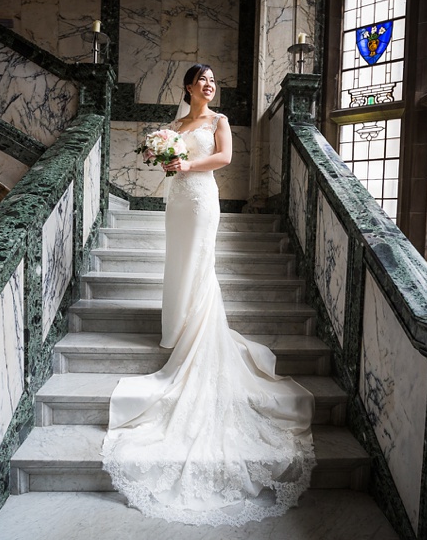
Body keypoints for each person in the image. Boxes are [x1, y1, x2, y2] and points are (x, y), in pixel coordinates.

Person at [101, 64, 316, 527]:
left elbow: (223, 160)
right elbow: (164, 161)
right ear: (187, 86)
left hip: (201, 198)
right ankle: (175, 326)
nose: (209, 85)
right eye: (202, 80)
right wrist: (164, 160)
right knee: (176, 262)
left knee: (200, 264)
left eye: (214, 81)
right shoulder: (175, 125)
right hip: (176, 200)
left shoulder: (218, 122)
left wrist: (185, 164)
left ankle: (196, 332)